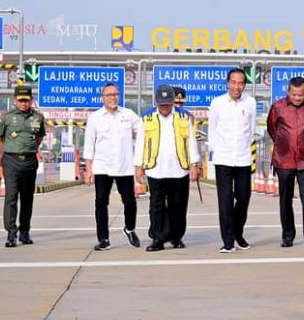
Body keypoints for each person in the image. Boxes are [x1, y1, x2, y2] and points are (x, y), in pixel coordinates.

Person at [135, 85, 200, 251]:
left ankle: (176, 237)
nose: (165, 108)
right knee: (156, 206)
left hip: (179, 168)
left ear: (173, 102)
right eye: (162, 104)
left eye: (168, 104)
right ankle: (158, 238)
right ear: (156, 101)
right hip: (155, 168)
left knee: (178, 205)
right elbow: (140, 143)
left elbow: (191, 142)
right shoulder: (146, 117)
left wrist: (194, 164)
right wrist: (138, 166)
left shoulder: (184, 117)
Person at [83, 82, 143, 251]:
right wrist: (88, 169)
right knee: (101, 202)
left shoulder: (128, 114)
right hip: (102, 167)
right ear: (103, 97)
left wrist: (139, 163)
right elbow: (89, 145)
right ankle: (103, 239)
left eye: (115, 94)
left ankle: (129, 228)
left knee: (130, 201)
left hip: (124, 167)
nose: (113, 98)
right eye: (109, 95)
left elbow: (143, 133)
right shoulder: (94, 117)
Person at [267, 76, 304, 248]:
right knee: (285, 200)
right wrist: (285, 145)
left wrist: (303, 145)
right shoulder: (278, 107)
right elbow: (272, 129)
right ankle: (288, 235)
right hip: (284, 160)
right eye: (294, 94)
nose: (297, 98)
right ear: (288, 92)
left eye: (301, 94)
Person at [208, 68, 256, 253]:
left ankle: (237, 232)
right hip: (224, 158)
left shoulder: (250, 103)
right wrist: (216, 151)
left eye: (241, 83)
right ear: (228, 83)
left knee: (243, 197)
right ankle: (228, 241)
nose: (237, 86)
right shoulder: (217, 103)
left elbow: (251, 130)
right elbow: (212, 130)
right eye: (234, 82)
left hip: (243, 159)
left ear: (244, 85)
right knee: (225, 201)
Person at [0, 85, 46, 248]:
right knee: (11, 197)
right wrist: (9, 150)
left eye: (27, 100)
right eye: (21, 101)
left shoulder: (38, 117)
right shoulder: (7, 117)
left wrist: (28, 148)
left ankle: (25, 231)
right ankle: (11, 233)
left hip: (30, 161)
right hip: (11, 160)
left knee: (27, 198)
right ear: (14, 101)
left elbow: (39, 138)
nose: (24, 104)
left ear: (31, 100)